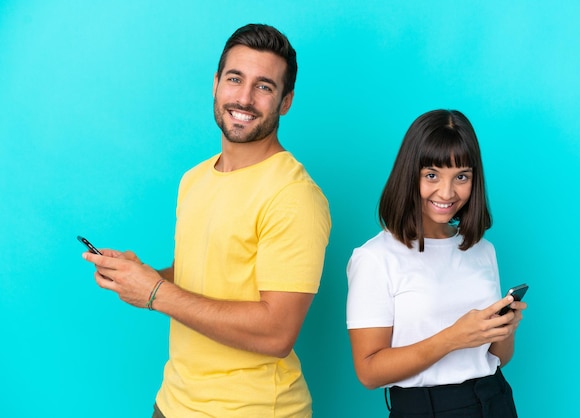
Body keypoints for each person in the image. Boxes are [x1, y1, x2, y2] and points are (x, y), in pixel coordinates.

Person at [83, 24, 331, 418]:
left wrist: (153, 293)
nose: (244, 98)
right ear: (216, 84)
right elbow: (200, 275)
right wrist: (141, 275)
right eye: (235, 79)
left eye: (264, 86)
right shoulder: (194, 179)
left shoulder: (294, 195)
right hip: (173, 403)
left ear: (285, 102)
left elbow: (276, 332)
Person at [346, 109, 526, 417]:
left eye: (461, 177)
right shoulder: (375, 258)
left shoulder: (483, 250)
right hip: (427, 408)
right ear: (409, 175)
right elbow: (369, 371)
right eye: (432, 175)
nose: (447, 192)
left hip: (495, 399)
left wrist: (505, 329)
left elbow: (498, 357)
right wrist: (453, 338)